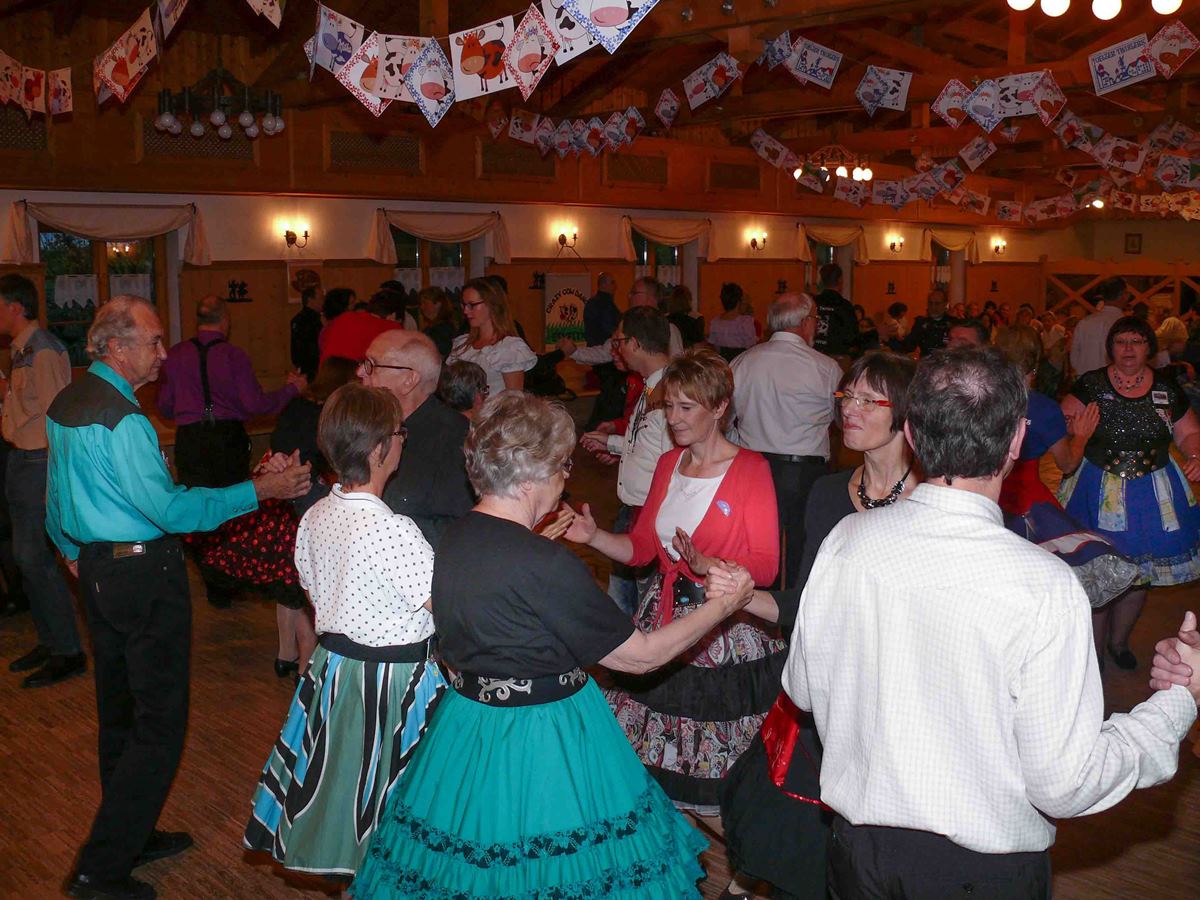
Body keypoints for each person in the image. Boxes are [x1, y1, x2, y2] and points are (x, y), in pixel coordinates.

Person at [769, 346, 1199, 897]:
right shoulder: (1044, 586)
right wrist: (1174, 703)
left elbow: (803, 688)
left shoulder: (848, 541)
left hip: (857, 854)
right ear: (1017, 440)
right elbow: (1065, 784)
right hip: (980, 872)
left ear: (913, 434)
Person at [353, 391, 758, 897]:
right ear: (530, 476)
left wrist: (539, 546)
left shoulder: (455, 537)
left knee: (475, 862)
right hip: (545, 736)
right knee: (563, 866)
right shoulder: (545, 565)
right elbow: (641, 656)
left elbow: (499, 588)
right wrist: (724, 604)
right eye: (563, 466)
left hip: (469, 724)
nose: (566, 478)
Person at [45, 296, 310, 900]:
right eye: (154, 341)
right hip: (142, 576)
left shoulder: (69, 402)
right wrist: (259, 489)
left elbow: (54, 496)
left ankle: (131, 835)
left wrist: (72, 550)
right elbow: (171, 511)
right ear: (116, 347)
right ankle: (100, 869)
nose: (164, 353)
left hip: (100, 571)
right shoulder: (124, 420)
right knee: (159, 724)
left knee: (120, 713)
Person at [718, 350, 919, 900]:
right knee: (799, 836)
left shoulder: (930, 502)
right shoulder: (828, 492)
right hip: (825, 690)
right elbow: (806, 602)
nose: (849, 408)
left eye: (869, 400)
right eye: (847, 396)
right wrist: (742, 596)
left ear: (905, 413)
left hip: (894, 698)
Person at [244, 382, 446, 882]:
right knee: (398, 805)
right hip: (392, 682)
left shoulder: (315, 515)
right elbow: (445, 608)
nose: (403, 441)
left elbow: (313, 590)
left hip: (335, 673)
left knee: (345, 792)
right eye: (399, 433)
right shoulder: (393, 530)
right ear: (378, 449)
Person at [570, 349, 780, 816]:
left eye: (687, 407)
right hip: (662, 615)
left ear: (719, 407)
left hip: (722, 624)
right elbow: (643, 548)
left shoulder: (751, 469)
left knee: (709, 745)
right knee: (651, 751)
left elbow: (766, 567)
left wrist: (708, 563)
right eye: (669, 406)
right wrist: (595, 536)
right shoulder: (668, 464)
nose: (674, 418)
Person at [191, 356, 360, 680]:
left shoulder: (297, 404)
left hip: (279, 503)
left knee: (287, 587)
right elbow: (322, 458)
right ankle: (305, 668)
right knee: (301, 588)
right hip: (305, 503)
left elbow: (278, 443)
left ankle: (286, 655)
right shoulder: (331, 415)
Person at [1059, 316, 1200, 670]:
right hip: (1097, 488)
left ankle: (1119, 643)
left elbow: (1188, 433)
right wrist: (1074, 431)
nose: (1128, 349)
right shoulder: (1091, 384)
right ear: (1111, 348)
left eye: (1136, 341)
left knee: (1138, 575)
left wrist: (1196, 454)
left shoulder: (1167, 388)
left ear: (1149, 347)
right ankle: (1092, 655)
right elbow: (1061, 425)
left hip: (1152, 493)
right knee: (1099, 571)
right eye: (1121, 341)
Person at [158, 295, 305, 606]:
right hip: (227, 439)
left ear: (197, 321)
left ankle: (213, 578)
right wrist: (292, 390)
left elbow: (166, 407)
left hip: (190, 440)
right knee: (234, 505)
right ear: (225, 321)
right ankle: (230, 575)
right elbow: (255, 405)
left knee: (198, 505)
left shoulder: (176, 355)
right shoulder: (234, 355)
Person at [0, 273, 84, 688]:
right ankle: (50, 641)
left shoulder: (43, 350)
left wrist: (57, 476)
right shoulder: (21, 351)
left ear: (15, 308)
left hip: (39, 462)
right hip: (22, 459)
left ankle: (67, 651)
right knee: (26, 561)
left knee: (36, 560)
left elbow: (58, 414)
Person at [730, 293, 841, 589]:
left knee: (756, 551)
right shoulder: (826, 368)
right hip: (806, 472)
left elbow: (724, 420)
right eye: (815, 319)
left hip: (752, 468)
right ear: (805, 323)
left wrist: (741, 446)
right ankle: (793, 611)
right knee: (802, 554)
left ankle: (756, 611)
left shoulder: (742, 362)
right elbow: (842, 420)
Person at [579, 307, 676, 616]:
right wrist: (610, 443)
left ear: (635, 343)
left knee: (646, 603)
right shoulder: (650, 386)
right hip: (637, 510)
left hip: (653, 514)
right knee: (629, 599)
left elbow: (673, 460)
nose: (617, 348)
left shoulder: (670, 391)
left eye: (619, 341)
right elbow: (649, 445)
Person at [365, 330, 474, 548]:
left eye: (372, 365)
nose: (360, 372)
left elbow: (460, 530)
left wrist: (383, 532)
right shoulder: (365, 423)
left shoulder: (454, 439)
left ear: (409, 380)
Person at [447, 277, 537, 396]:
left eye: (472, 305)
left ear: (491, 304)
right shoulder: (462, 344)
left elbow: (514, 400)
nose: (465, 311)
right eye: (464, 305)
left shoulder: (509, 348)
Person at [318, 289, 404, 366]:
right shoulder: (392, 329)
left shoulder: (343, 318)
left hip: (326, 373)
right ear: (394, 315)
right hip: (354, 376)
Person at [1070, 277, 1127, 379]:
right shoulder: (1126, 325)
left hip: (1086, 380)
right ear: (1123, 296)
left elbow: (1074, 358)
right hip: (1118, 382)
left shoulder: (1084, 323)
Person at [890, 288, 951, 358]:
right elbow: (908, 345)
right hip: (927, 361)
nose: (933, 307)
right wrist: (889, 342)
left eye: (937, 303)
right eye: (930, 303)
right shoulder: (921, 323)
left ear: (945, 304)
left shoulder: (953, 324)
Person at [707, 282, 758, 361]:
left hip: (723, 362)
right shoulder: (745, 322)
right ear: (738, 301)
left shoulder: (715, 322)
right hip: (741, 361)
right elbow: (751, 347)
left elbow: (714, 347)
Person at [289, 274, 323, 381]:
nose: (323, 301)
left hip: (306, 368)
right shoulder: (312, 320)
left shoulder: (297, 319)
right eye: (321, 298)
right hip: (313, 369)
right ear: (310, 300)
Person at [416, 285, 460, 358]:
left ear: (438, 304)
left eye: (425, 303)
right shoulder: (434, 326)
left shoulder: (443, 329)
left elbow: (441, 354)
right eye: (421, 304)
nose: (422, 307)